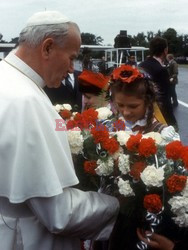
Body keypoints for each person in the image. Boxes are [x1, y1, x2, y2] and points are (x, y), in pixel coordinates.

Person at [0, 11, 120, 250]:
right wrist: (118, 205)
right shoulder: (25, 101)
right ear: (47, 48)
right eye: (71, 57)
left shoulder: (10, 80)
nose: (72, 69)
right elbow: (59, 214)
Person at [107, 64, 180, 250]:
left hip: (145, 215)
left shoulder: (164, 134)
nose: (126, 112)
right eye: (120, 105)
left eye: (133, 106)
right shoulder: (109, 126)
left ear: (149, 102)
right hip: (111, 212)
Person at [139, 37, 178, 128]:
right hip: (156, 115)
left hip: (141, 112)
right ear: (165, 50)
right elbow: (165, 99)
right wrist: (171, 121)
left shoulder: (141, 65)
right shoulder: (161, 70)